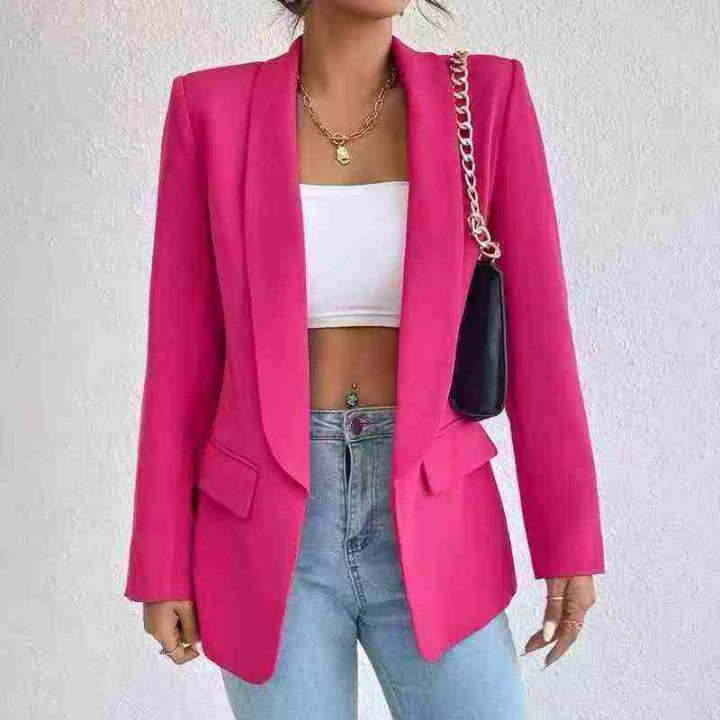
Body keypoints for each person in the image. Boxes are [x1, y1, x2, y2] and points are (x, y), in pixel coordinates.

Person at [124, 1, 605, 717]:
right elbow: (180, 358)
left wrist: (568, 540)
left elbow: (540, 337)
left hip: (437, 514)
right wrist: (162, 564)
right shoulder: (210, 111)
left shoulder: (485, 99)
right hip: (268, 530)